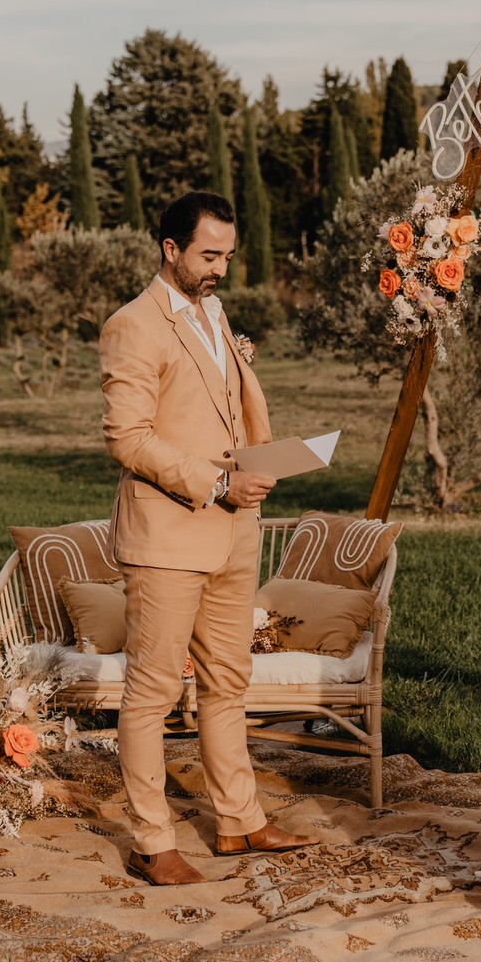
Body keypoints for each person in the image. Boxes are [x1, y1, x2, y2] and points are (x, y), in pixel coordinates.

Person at [99, 190, 318, 886]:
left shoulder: (217, 315)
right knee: (153, 693)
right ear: (170, 249)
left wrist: (259, 465)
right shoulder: (133, 325)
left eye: (228, 254)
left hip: (233, 534)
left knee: (229, 680)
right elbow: (126, 437)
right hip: (168, 533)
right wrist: (218, 483)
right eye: (209, 255)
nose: (222, 268)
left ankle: (239, 821)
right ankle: (151, 840)